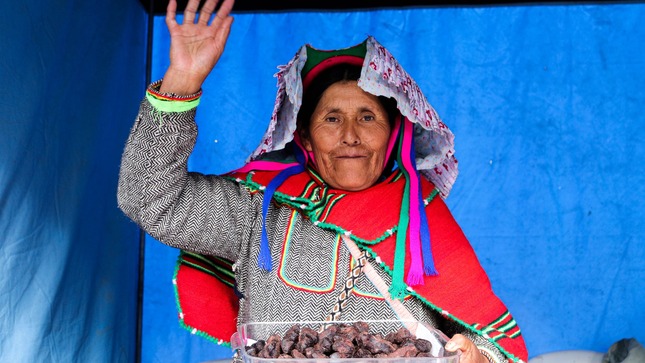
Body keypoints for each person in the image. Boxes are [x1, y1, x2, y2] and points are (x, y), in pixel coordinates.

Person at [117, 0, 529, 362]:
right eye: (332, 118)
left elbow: (497, 349)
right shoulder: (256, 211)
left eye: (367, 117)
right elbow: (147, 196)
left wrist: (477, 358)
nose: (350, 134)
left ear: (393, 135)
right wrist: (181, 82)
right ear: (306, 137)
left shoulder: (423, 224)